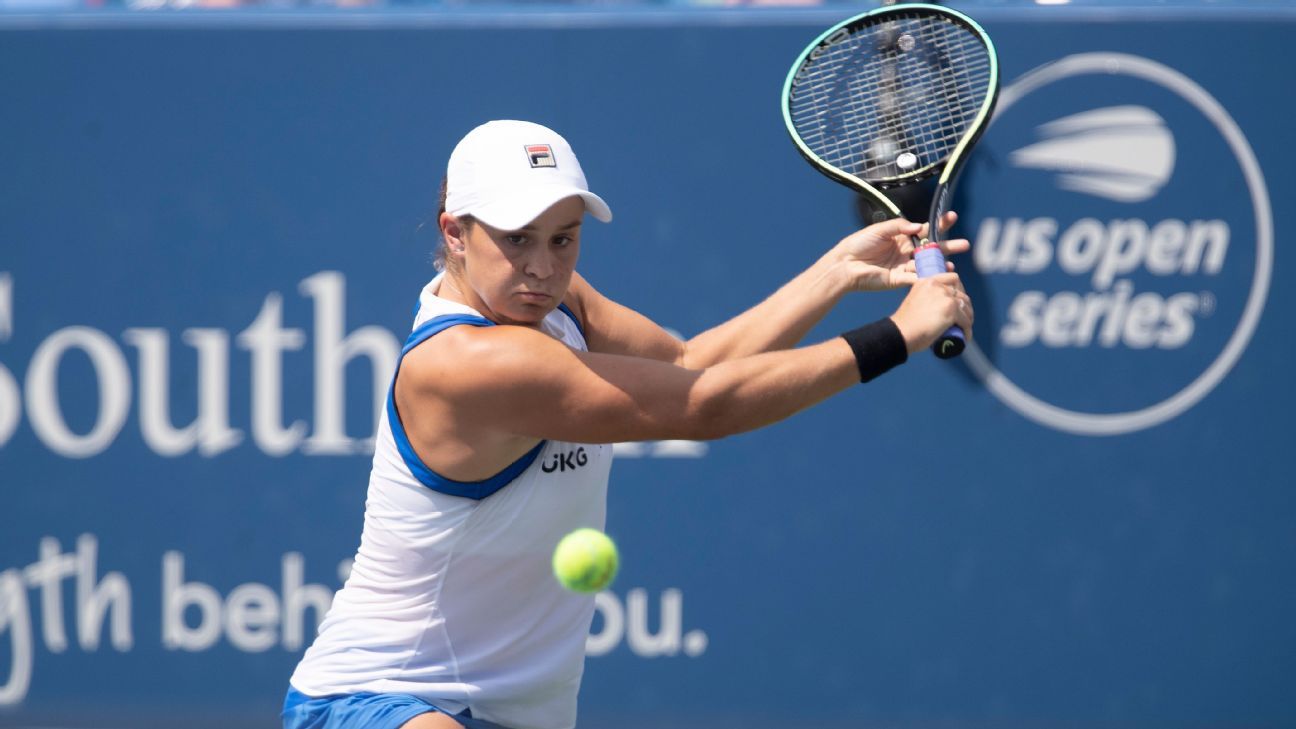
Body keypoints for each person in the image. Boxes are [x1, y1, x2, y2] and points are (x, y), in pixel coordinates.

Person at [282, 119, 973, 729]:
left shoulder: (555, 302)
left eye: (563, 239)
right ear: (454, 233)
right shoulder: (468, 361)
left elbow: (690, 360)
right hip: (378, 699)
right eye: (516, 239)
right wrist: (898, 334)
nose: (542, 267)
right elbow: (703, 404)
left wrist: (836, 272)